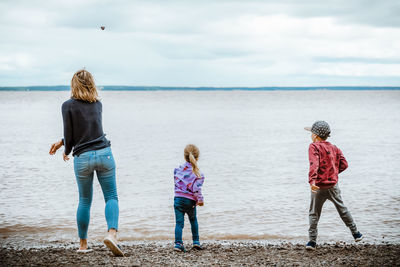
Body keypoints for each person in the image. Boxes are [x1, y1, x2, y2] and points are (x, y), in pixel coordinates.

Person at [49, 69, 124, 256]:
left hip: (83, 157)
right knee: (111, 197)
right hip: (105, 154)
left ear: (73, 84)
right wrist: (63, 142)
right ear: (91, 83)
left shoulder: (67, 106)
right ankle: (112, 234)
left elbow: (71, 133)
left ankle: (83, 245)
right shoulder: (98, 104)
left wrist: (65, 149)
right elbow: (90, 131)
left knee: (84, 200)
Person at [304, 121, 363, 250]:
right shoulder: (335, 148)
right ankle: (356, 233)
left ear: (315, 135)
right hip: (333, 186)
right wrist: (334, 173)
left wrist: (312, 181)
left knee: (314, 213)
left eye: (311, 133)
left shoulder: (313, 147)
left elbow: (314, 164)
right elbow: (344, 164)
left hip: (318, 186)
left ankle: (312, 242)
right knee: (342, 209)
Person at [173, 144, 205, 252]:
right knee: (193, 220)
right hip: (189, 201)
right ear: (196, 158)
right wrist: (200, 200)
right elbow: (196, 189)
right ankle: (196, 242)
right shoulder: (198, 174)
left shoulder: (177, 170)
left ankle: (178, 244)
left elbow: (177, 184)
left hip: (177, 199)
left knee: (179, 223)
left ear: (184, 157)